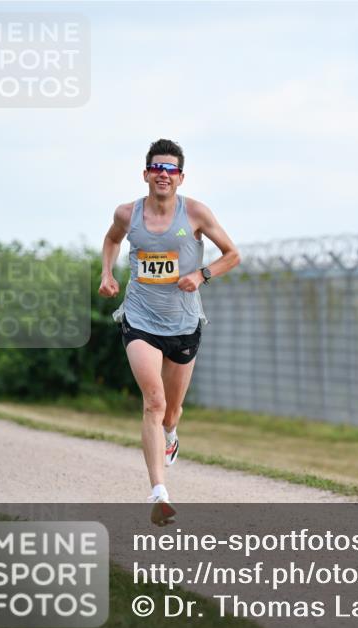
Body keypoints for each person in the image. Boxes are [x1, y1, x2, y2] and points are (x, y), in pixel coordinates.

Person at [98, 139, 240, 525]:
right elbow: (111, 239)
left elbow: (232, 254)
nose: (163, 174)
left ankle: (172, 435)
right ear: (146, 174)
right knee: (154, 402)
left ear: (180, 178)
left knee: (172, 411)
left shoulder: (194, 213)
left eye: (171, 169)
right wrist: (107, 272)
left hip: (183, 323)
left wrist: (201, 274)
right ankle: (159, 492)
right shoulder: (128, 214)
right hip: (140, 318)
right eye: (156, 168)